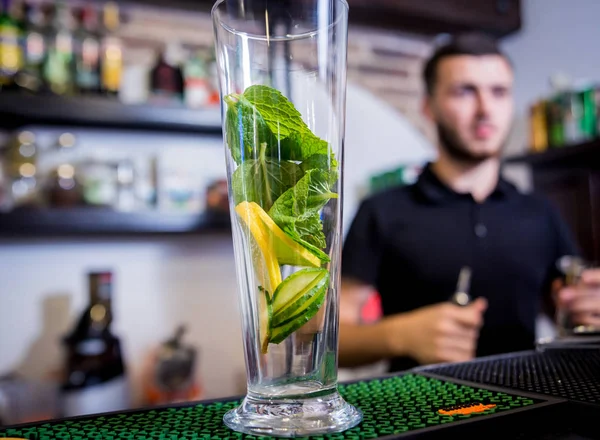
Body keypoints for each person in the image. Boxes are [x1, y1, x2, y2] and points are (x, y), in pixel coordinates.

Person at [338, 32, 600, 372]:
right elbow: (330, 342)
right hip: (424, 411)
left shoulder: (540, 212)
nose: (485, 109)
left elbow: (567, 306)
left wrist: (586, 308)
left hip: (529, 405)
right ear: (428, 107)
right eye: (465, 91)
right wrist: (400, 335)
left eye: (499, 92)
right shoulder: (382, 211)